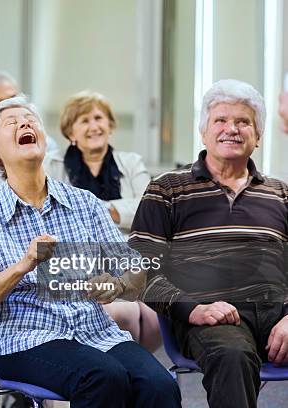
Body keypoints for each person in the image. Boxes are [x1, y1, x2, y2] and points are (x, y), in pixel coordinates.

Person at [0, 96, 181, 408]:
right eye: (11, 122)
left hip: (95, 331)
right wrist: (24, 265)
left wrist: (116, 285)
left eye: (30, 119)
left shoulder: (85, 203)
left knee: (160, 386)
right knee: (104, 378)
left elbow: (135, 270)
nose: (25, 123)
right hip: (24, 339)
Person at [130, 79, 288, 408]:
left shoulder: (280, 193)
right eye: (221, 120)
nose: (232, 129)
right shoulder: (167, 189)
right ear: (203, 133)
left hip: (280, 314)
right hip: (209, 315)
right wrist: (195, 310)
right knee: (233, 355)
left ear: (258, 137)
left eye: (243, 122)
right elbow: (140, 272)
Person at [45, 90, 159, 352]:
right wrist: (117, 214)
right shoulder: (53, 166)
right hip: (81, 261)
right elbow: (55, 218)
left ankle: (133, 377)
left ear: (110, 125)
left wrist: (99, 212)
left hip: (130, 258)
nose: (94, 126)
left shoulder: (130, 163)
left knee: (153, 317)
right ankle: (125, 374)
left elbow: (149, 208)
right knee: (128, 314)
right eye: (84, 120)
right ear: (70, 132)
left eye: (98, 118)